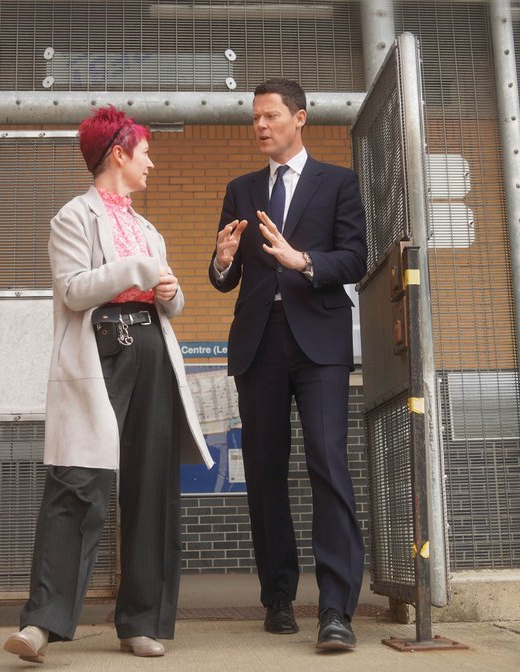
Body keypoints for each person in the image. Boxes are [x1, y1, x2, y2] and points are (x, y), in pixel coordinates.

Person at [4, 106, 214, 663]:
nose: (150, 163)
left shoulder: (149, 230)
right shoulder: (72, 217)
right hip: (99, 350)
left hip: (150, 349)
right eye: (144, 152)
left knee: (151, 485)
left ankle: (141, 621)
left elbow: (173, 299)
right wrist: (137, 271)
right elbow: (74, 290)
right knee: (79, 482)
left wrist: (168, 291)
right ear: (118, 154)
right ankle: (41, 624)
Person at [208, 78, 367, 651]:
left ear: (300, 118)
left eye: (271, 116)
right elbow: (224, 279)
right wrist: (223, 260)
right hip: (258, 343)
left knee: (328, 465)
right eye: (255, 118)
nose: (260, 126)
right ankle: (277, 597)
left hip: (319, 343)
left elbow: (355, 256)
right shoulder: (241, 188)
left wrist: (304, 261)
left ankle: (335, 609)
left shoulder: (339, 184)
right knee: (265, 473)